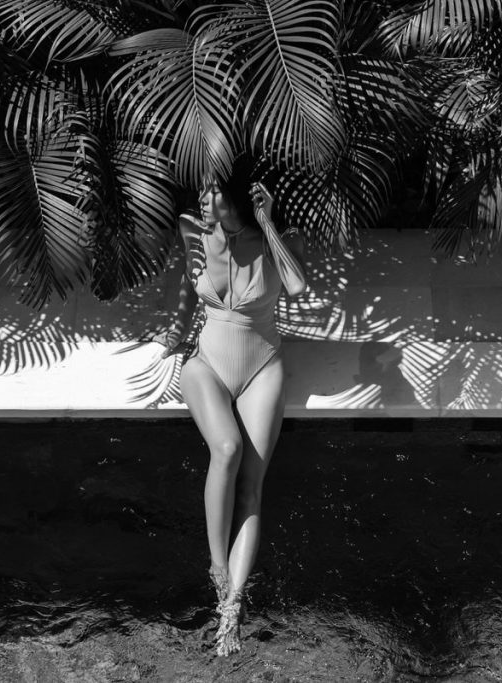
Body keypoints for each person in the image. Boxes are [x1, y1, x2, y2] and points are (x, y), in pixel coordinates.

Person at [154, 165, 306, 656]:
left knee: (252, 484)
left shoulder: (272, 243)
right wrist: (175, 332)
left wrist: (268, 222)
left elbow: (298, 288)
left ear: (237, 199)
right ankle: (219, 571)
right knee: (227, 448)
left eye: (212, 190)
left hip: (262, 366)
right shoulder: (192, 231)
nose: (202, 197)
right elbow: (186, 285)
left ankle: (233, 608)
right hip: (208, 364)